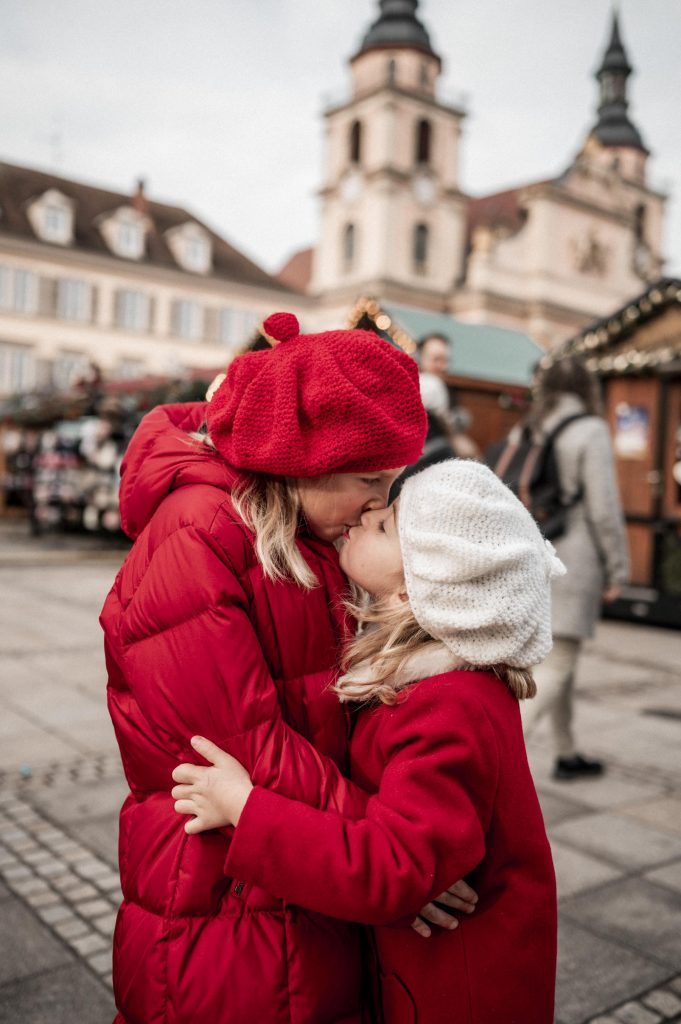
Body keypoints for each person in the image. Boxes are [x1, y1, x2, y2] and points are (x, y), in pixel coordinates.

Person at [100, 311, 434, 1024]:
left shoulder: (308, 531)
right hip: (220, 897)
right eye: (369, 478)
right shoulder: (199, 531)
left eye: (393, 482)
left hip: (298, 865)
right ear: (303, 459)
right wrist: (387, 855)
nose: (379, 504)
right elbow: (242, 743)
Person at [172, 459, 560, 1024]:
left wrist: (244, 808)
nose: (370, 512)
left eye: (386, 525)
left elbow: (392, 868)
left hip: (459, 994)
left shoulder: (450, 706)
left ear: (411, 593)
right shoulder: (437, 686)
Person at [520, 356, 629, 780]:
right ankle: (488, 762)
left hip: (532, 549)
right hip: (574, 557)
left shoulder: (532, 425)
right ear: (587, 387)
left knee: (558, 657)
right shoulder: (591, 429)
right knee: (557, 663)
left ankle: (566, 752)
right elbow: (603, 508)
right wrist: (618, 569)